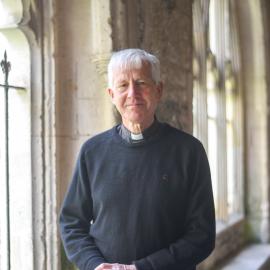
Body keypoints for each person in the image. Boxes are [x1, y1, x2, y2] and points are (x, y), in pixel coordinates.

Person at [59, 48, 216, 270]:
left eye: (141, 83)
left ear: (158, 90)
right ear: (112, 95)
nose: (132, 93)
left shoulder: (189, 152)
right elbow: (71, 223)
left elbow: (202, 236)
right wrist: (94, 265)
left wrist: (141, 268)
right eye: (123, 85)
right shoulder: (92, 152)